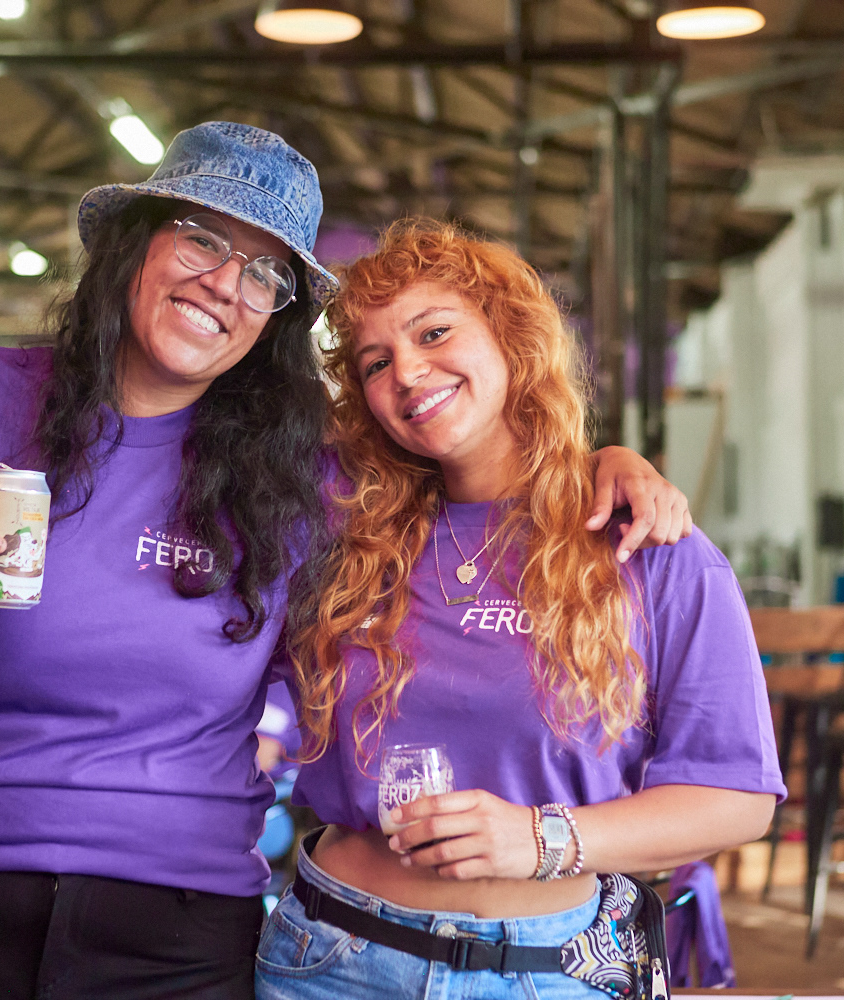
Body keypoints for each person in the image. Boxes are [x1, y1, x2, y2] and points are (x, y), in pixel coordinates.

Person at [0, 124, 688, 1000]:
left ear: (276, 318)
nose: (224, 284)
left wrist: (601, 468)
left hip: (170, 935)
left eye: (264, 274)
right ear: (135, 243)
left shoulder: (306, 476)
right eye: (201, 239)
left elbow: (466, 471)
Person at [256, 219, 785, 1000]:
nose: (408, 371)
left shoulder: (646, 548)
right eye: (375, 362)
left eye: (434, 331)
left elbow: (736, 798)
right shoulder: (341, 526)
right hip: (331, 960)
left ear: (511, 336)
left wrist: (542, 839)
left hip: (549, 972)